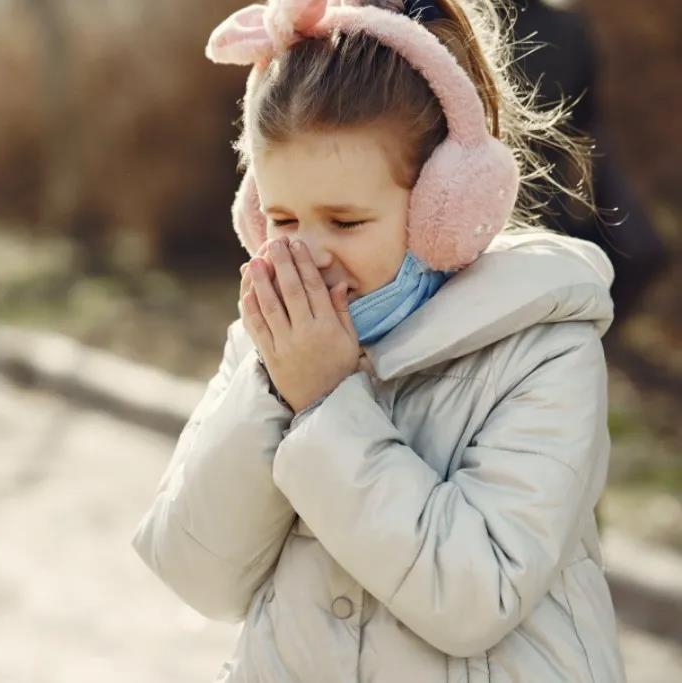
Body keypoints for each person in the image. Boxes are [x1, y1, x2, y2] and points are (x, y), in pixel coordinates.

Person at [130, 1, 626, 681]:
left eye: (345, 219)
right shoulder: (263, 348)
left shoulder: (543, 347)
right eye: (281, 217)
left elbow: (475, 595)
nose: (310, 253)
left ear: (442, 208)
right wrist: (275, 390)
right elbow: (198, 572)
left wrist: (329, 401)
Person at [508, 0, 668, 331]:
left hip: (527, 206)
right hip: (541, 208)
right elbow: (587, 125)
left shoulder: (452, 17)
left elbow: (587, 125)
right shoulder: (568, 27)